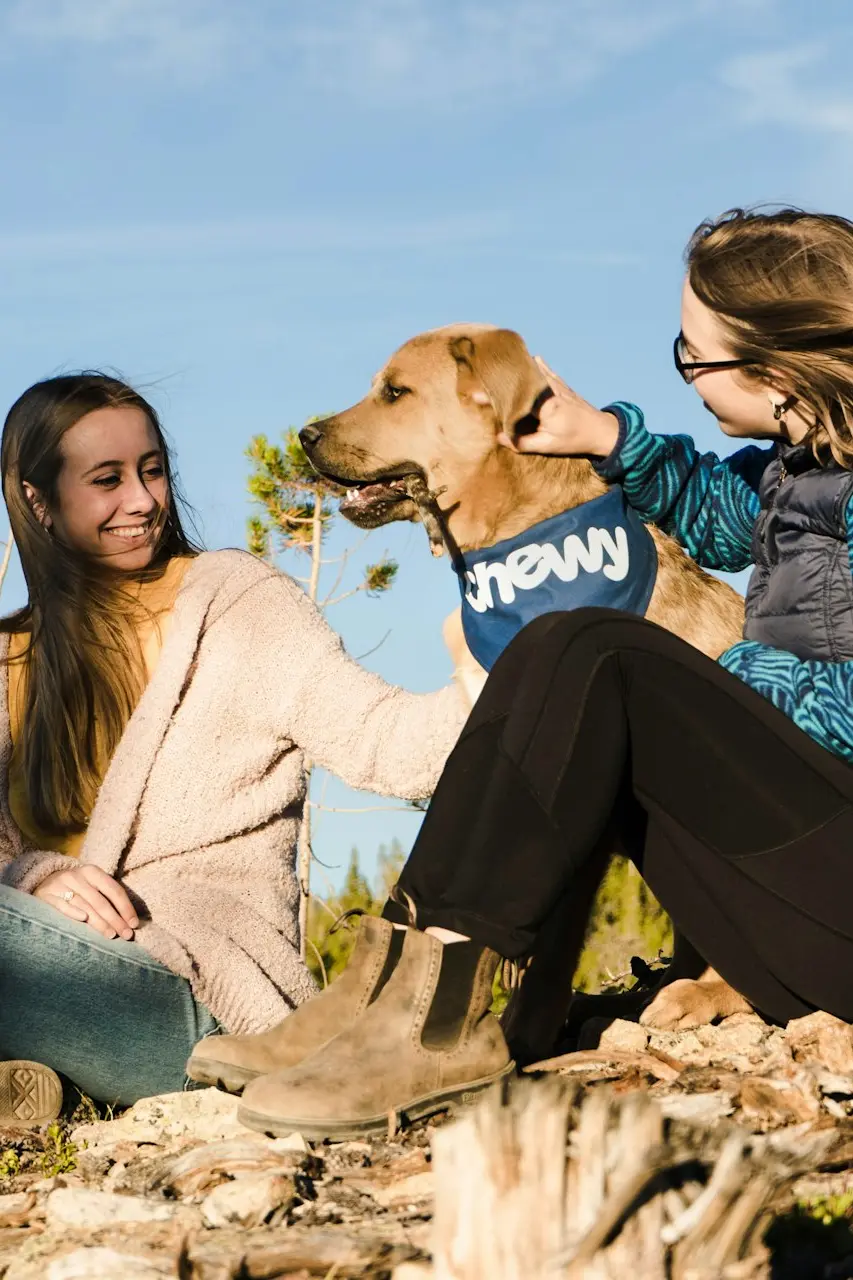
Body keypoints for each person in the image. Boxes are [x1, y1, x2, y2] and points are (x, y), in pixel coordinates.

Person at [201, 206, 853, 1142]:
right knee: (568, 646)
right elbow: (717, 507)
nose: (682, 371)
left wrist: (722, 674)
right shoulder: (801, 472)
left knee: (595, 649)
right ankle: (397, 993)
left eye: (692, 357)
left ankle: (434, 1025)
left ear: (780, 369)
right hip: (791, 896)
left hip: (834, 907)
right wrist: (601, 438)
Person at [0, 372, 466, 1124]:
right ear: (37, 500)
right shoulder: (9, 662)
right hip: (43, 986)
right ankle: (33, 1088)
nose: (144, 500)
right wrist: (33, 873)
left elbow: (388, 744)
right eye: (107, 479)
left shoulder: (234, 604)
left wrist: (490, 666)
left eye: (152, 470)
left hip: (194, 1001)